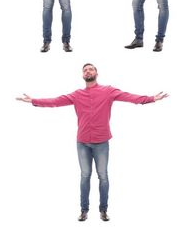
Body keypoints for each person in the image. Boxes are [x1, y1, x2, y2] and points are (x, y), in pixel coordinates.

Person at [16, 63, 168, 222]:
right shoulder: (77, 95)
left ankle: (103, 210)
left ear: (97, 73)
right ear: (83, 75)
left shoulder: (108, 91)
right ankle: (84, 210)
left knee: (103, 176)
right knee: (85, 176)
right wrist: (33, 100)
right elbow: (55, 101)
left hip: (101, 142)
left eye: (91, 69)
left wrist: (151, 99)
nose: (88, 71)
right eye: (85, 70)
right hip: (82, 142)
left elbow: (130, 97)